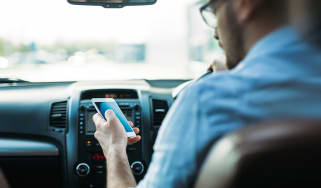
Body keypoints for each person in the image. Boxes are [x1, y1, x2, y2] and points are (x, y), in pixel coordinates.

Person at [93, 0, 321, 187]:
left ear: (245, 4)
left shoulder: (208, 100)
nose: (214, 34)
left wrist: (114, 148)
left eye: (214, 11)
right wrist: (236, 72)